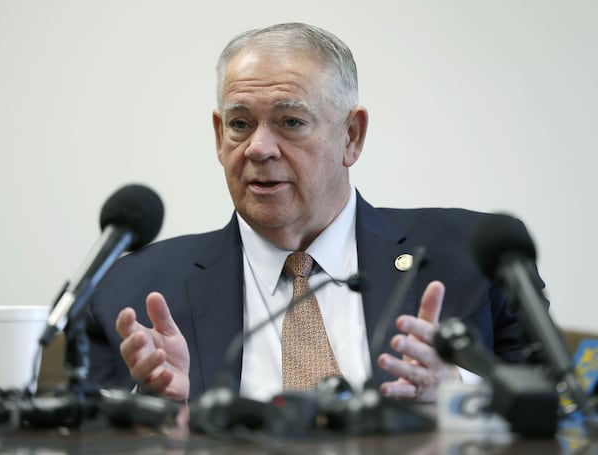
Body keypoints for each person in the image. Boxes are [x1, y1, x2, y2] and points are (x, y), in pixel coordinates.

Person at [85, 22, 525, 404]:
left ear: (351, 137)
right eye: (240, 124)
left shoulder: (475, 255)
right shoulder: (130, 291)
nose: (258, 148)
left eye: (290, 122)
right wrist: (162, 413)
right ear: (219, 137)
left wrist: (452, 389)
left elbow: (567, 407)